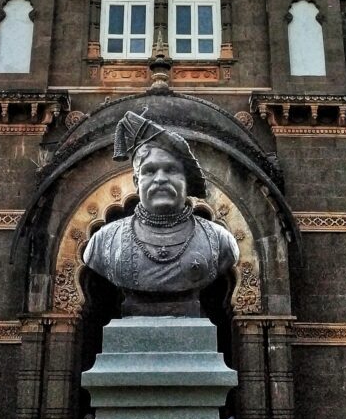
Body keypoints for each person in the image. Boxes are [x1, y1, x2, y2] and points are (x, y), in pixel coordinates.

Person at [83, 111, 239, 314]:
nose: (160, 179)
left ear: (187, 180)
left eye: (171, 170)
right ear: (136, 182)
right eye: (149, 171)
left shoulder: (220, 241)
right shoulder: (104, 241)